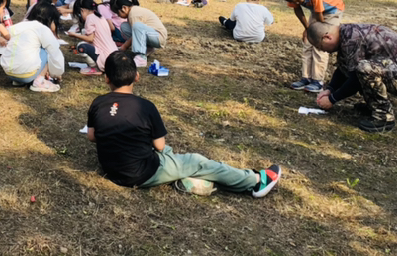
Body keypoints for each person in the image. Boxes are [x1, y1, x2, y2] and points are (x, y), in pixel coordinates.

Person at [86, 51, 281, 197]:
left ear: (106, 78)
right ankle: (255, 181)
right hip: (142, 173)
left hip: (110, 170)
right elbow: (159, 146)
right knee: (197, 161)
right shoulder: (145, 107)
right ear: (137, 76)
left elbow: (92, 136)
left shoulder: (97, 103)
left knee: (170, 157)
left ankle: (186, 179)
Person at [306, 21, 397, 133]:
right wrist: (330, 89)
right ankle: (374, 106)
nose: (323, 51)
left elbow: (355, 80)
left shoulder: (352, 39)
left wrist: (332, 99)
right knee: (362, 68)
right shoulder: (345, 34)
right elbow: (344, 68)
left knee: (365, 69)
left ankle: (384, 117)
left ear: (327, 37)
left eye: (320, 47)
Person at [278, 0, 345, 93]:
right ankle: (306, 77)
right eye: (294, 2)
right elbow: (298, 10)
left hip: (332, 11)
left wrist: (317, 33)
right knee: (308, 43)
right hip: (317, 12)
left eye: (298, 0)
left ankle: (318, 81)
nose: (297, 3)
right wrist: (307, 29)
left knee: (320, 44)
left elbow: (320, 21)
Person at [0, 4, 65, 92]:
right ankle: (39, 81)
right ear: (50, 20)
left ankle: (18, 81)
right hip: (26, 75)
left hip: (8, 72)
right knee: (46, 51)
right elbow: (55, 53)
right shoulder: (42, 28)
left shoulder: (20, 25)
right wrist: (57, 73)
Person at [110, 0, 167, 67]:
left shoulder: (134, 14)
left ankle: (141, 57)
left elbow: (137, 32)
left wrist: (124, 46)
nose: (118, 15)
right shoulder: (133, 11)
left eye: (118, 13)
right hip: (151, 34)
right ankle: (148, 48)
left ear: (124, 8)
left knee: (137, 26)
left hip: (158, 37)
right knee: (124, 26)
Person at [67, 0, 119, 75]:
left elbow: (90, 39)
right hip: (114, 56)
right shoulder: (100, 17)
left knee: (81, 46)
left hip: (105, 59)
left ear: (82, 11)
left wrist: (74, 35)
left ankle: (95, 68)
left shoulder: (89, 18)